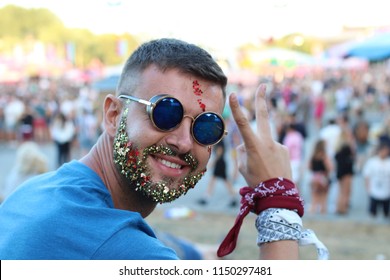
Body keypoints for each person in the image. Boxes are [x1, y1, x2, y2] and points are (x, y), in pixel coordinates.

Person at [0, 38, 326, 260]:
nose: (184, 142)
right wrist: (276, 200)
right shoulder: (126, 251)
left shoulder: (32, 192)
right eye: (165, 113)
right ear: (114, 114)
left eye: (205, 127)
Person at [197, 138, 238, 208]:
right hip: (221, 163)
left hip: (220, 163)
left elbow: (219, 153)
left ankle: (206, 197)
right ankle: (233, 198)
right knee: (221, 180)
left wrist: (213, 162)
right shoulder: (219, 141)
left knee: (221, 181)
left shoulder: (220, 141)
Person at [362, 142, 390, 220]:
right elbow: (366, 175)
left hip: (387, 192)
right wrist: (368, 189)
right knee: (372, 214)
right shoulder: (372, 162)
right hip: (374, 191)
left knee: (386, 214)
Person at [308, 139, 333, 214]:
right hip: (323, 177)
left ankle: (313, 210)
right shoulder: (324, 157)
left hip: (314, 177)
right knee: (323, 195)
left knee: (314, 195)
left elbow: (309, 167)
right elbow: (330, 168)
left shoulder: (313, 156)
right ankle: (323, 211)